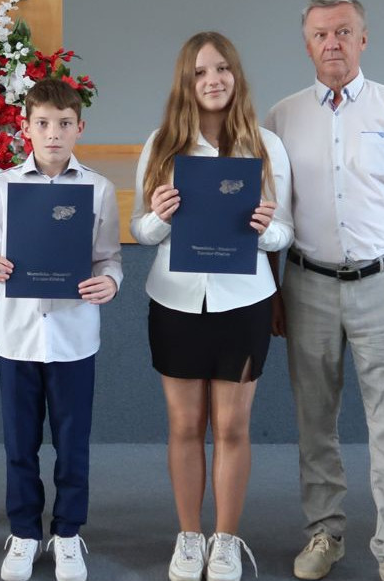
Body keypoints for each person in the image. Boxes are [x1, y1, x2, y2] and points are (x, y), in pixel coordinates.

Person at [264, 0, 384, 581]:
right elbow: (268, 216)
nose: (332, 43)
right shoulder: (282, 117)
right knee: (315, 420)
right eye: (320, 34)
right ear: (306, 44)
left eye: (343, 32)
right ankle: (325, 533)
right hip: (307, 284)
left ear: (364, 38)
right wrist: (274, 292)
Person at [131, 31, 294, 581]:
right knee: (183, 426)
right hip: (174, 301)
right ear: (187, 82)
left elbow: (286, 232)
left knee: (231, 428)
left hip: (243, 301)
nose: (213, 80)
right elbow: (141, 231)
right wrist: (159, 214)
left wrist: (267, 229)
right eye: (201, 72)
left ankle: (225, 539)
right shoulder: (161, 146)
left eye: (222, 68)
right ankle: (189, 537)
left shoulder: (266, 148)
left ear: (236, 75)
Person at [0, 79, 122, 581]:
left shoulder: (97, 189)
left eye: (63, 124)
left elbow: (109, 260)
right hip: (16, 334)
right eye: (42, 124)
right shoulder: (2, 185)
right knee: (20, 441)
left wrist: (110, 283)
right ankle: (24, 532)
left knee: (72, 441)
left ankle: (68, 533)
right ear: (26, 128)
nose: (53, 134)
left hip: (75, 336)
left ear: (79, 127)